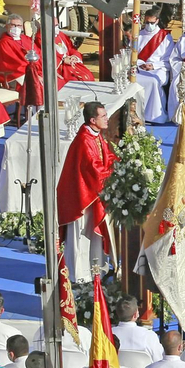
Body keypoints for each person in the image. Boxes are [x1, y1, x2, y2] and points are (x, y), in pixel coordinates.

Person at [54, 101, 116, 282]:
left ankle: (97, 269)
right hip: (81, 198)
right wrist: (115, 172)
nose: (107, 118)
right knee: (83, 236)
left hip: (91, 194)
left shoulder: (95, 134)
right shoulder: (84, 140)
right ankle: (80, 274)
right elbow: (94, 170)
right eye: (103, 116)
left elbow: (106, 155)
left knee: (93, 236)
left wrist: (119, 161)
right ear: (92, 120)